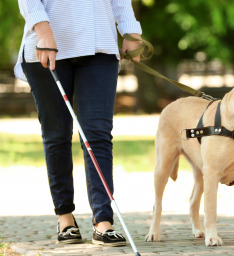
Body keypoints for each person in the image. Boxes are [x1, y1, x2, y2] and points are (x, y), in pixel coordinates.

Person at [15, 0, 142, 246]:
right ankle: (65, 218)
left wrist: (131, 29)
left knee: (97, 133)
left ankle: (103, 221)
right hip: (47, 46)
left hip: (99, 47)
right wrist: (44, 32)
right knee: (57, 134)